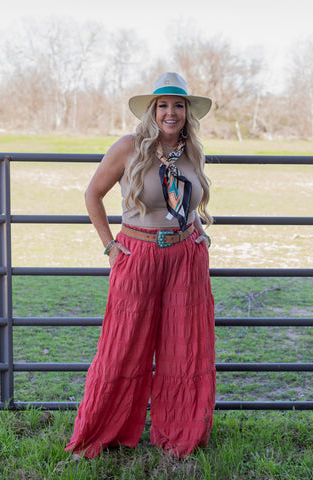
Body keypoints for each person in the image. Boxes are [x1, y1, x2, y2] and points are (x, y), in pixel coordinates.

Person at [65, 72, 216, 459]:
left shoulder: (192, 151)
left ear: (187, 112)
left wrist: (199, 234)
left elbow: (188, 202)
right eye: (162, 105)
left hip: (186, 259)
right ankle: (104, 430)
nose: (171, 112)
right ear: (152, 111)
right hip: (138, 256)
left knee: (185, 346)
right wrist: (110, 247)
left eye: (178, 105)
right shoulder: (129, 147)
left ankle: (181, 434)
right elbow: (92, 194)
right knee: (124, 345)